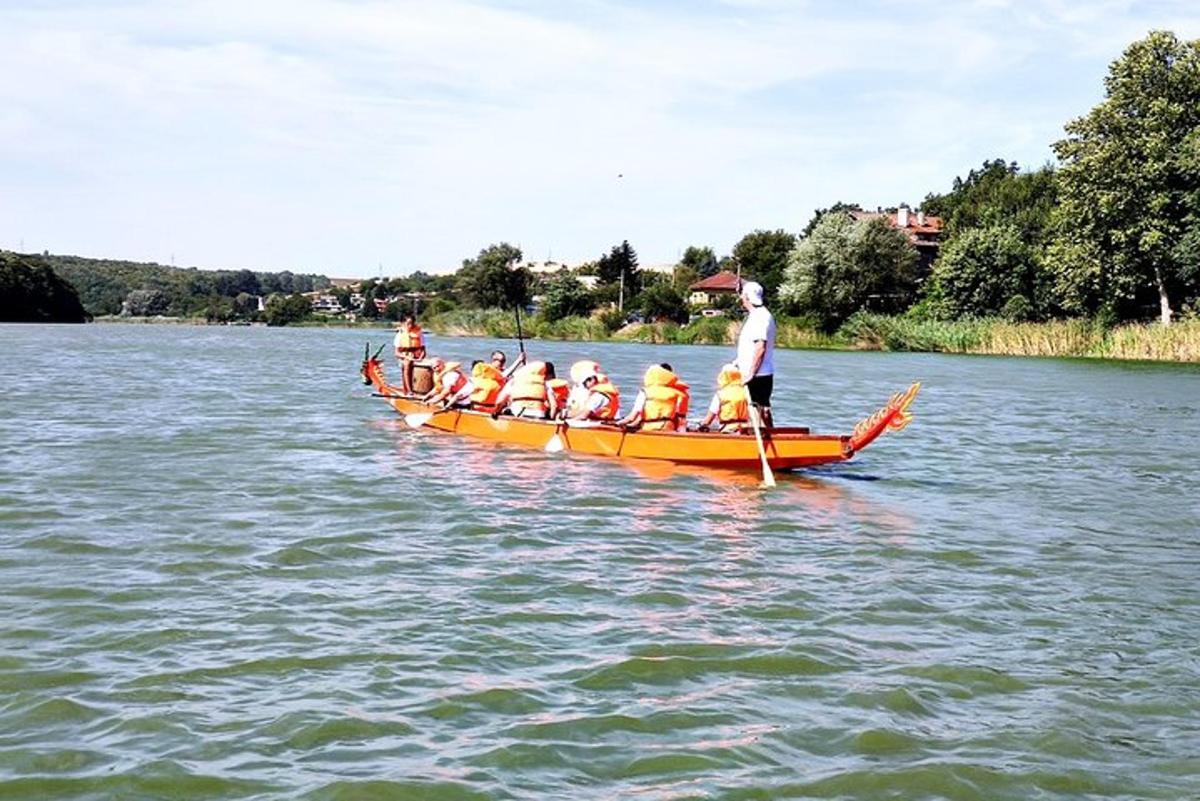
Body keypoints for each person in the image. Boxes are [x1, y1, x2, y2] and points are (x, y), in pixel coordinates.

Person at [736, 280, 777, 428]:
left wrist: (750, 374)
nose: (741, 298)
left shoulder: (760, 318)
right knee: (763, 410)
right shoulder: (760, 315)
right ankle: (771, 435)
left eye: (743, 295)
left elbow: (760, 347)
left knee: (755, 411)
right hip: (761, 372)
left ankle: (759, 442)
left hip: (757, 375)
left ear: (747, 297)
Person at [615, 363, 690, 431]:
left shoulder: (645, 392)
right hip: (668, 428)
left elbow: (632, 417)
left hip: (648, 428)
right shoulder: (678, 393)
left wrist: (618, 424)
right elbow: (681, 420)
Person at [697, 363, 750, 433]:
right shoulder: (746, 393)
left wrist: (701, 425)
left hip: (727, 430)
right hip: (744, 429)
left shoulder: (720, 394)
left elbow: (709, 419)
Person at [393, 314, 426, 394]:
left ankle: (424, 390)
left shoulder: (418, 332)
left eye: (412, 323)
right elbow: (396, 353)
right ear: (403, 323)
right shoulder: (400, 334)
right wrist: (406, 356)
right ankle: (409, 390)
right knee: (407, 364)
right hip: (404, 355)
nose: (410, 325)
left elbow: (423, 349)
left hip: (417, 355)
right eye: (408, 323)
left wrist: (421, 357)